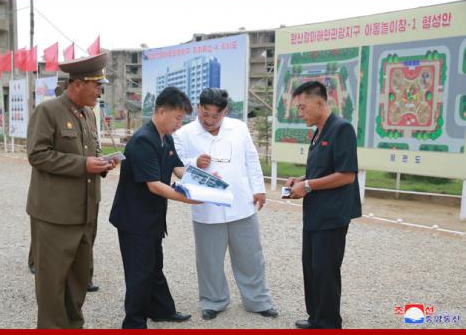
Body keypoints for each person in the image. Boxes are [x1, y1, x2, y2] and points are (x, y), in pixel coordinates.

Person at [26, 52, 118, 328]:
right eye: (97, 85)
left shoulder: (88, 115)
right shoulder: (48, 111)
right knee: (52, 281)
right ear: (78, 84)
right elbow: (37, 155)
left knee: (79, 278)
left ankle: (73, 325)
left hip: (85, 212)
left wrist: (102, 163)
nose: (100, 91)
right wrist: (82, 165)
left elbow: (92, 151)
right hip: (55, 215)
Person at [173, 88, 278, 321]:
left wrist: (259, 189)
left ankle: (258, 300)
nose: (209, 120)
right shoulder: (184, 134)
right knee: (209, 258)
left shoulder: (238, 128)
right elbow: (177, 165)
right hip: (207, 206)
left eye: (215, 116)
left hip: (242, 202)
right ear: (198, 107)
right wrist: (194, 162)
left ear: (225, 112)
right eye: (204, 114)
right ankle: (213, 300)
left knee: (251, 255)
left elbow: (251, 158)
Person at [109, 86, 197, 329]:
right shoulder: (142, 141)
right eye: (178, 117)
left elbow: (178, 168)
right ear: (161, 111)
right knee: (139, 272)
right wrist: (188, 197)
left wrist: (205, 181)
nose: (180, 123)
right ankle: (134, 322)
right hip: (134, 219)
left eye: (182, 118)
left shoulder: (165, 137)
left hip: (153, 217)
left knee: (154, 265)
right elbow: (155, 185)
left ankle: (161, 310)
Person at [284, 81, 361, 329]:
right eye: (298, 108)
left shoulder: (341, 129)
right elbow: (320, 171)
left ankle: (328, 322)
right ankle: (315, 317)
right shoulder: (318, 132)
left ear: (320, 102)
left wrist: (308, 187)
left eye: (303, 107)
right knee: (312, 267)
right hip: (315, 213)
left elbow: (347, 175)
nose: (300, 113)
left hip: (332, 215)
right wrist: (301, 180)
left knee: (326, 270)